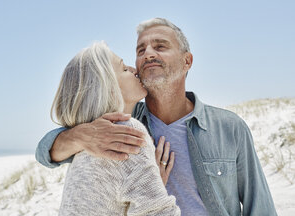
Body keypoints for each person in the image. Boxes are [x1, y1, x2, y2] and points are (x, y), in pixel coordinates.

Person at [36, 18, 277, 216]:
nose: (148, 53)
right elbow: (45, 154)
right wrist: (80, 135)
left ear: (187, 61)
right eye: (141, 50)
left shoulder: (229, 127)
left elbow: (260, 206)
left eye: (160, 46)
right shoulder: (118, 127)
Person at [48, 41, 180, 215]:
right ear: (108, 88)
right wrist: (152, 190)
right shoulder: (125, 131)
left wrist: (147, 183)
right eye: (124, 69)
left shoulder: (83, 148)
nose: (134, 70)